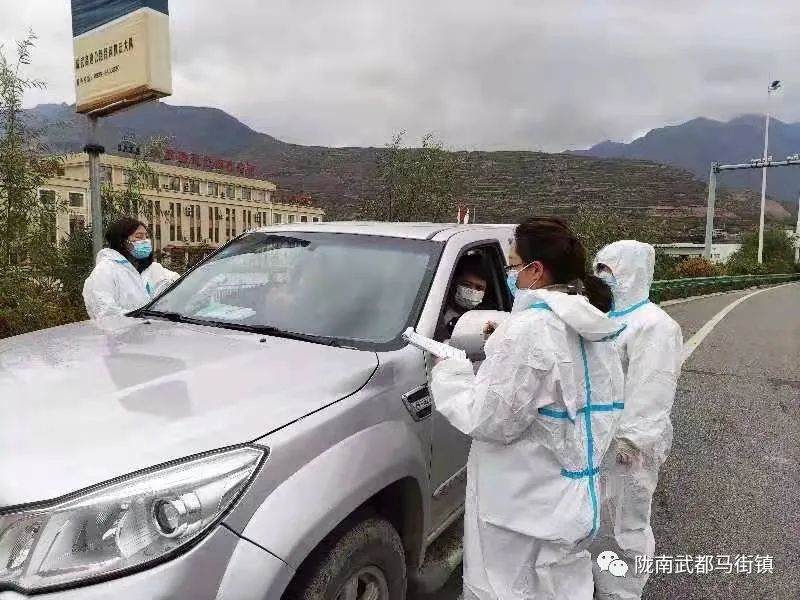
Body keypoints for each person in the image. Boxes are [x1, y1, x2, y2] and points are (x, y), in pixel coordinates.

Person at [429, 217, 626, 600]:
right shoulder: (597, 329)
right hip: (574, 502)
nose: (510, 274)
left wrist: (450, 370)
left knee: (501, 590)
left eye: (513, 265)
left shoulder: (528, 331)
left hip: (520, 514)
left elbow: (489, 420)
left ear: (536, 270)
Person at [590, 240, 683, 600]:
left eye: (610, 271)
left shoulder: (654, 325)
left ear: (634, 272)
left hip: (628, 448)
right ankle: (596, 584)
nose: (603, 277)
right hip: (597, 440)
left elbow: (653, 388)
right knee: (596, 520)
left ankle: (622, 592)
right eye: (599, 269)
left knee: (625, 526)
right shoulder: (604, 319)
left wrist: (632, 441)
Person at [83, 217, 180, 320]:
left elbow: (180, 285)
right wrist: (144, 319)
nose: (145, 241)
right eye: (139, 237)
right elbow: (105, 312)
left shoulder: (153, 269)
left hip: (155, 329)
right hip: (123, 330)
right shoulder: (105, 270)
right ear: (122, 241)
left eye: (147, 237)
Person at [434, 253, 488, 341]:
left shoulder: (484, 320)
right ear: (454, 282)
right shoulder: (435, 309)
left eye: (479, 288)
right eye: (466, 285)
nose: (472, 291)